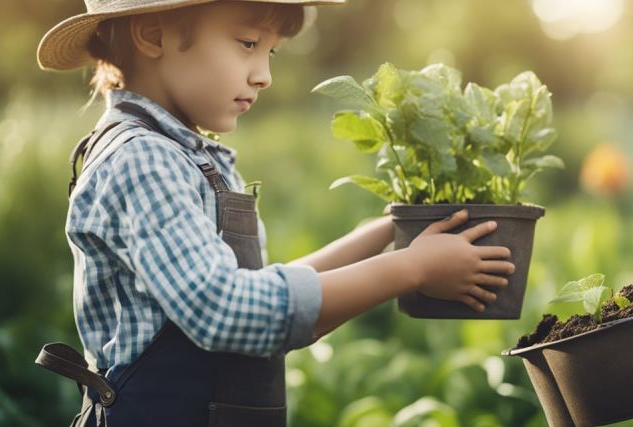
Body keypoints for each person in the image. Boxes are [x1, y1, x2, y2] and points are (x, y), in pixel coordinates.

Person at [33, 1, 514, 425]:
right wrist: (412, 267)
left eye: (270, 51)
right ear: (154, 35)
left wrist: (387, 231)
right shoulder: (141, 159)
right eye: (247, 44)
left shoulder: (186, 156)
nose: (263, 73)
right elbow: (225, 310)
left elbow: (265, 299)